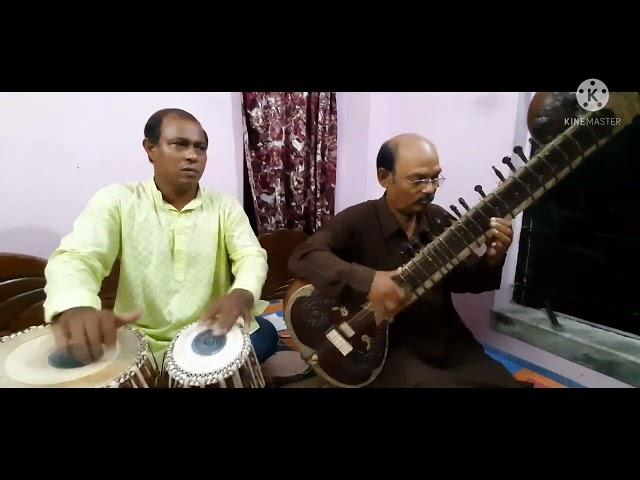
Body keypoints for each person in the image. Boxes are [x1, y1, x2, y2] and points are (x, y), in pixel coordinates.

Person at [288, 133, 530, 387]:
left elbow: (465, 280)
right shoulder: (358, 220)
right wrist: (369, 281)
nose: (430, 188)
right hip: (391, 348)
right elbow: (304, 256)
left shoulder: (438, 220)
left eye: (435, 178)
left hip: (447, 341)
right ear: (384, 177)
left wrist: (494, 257)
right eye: (418, 180)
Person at [43, 108, 278, 368]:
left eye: (200, 148)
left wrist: (243, 292)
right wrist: (76, 305)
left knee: (265, 335)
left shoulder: (224, 205)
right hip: (142, 338)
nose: (192, 156)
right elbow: (78, 256)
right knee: (69, 360)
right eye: (179, 144)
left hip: (208, 331)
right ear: (150, 149)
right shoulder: (118, 200)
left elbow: (250, 255)